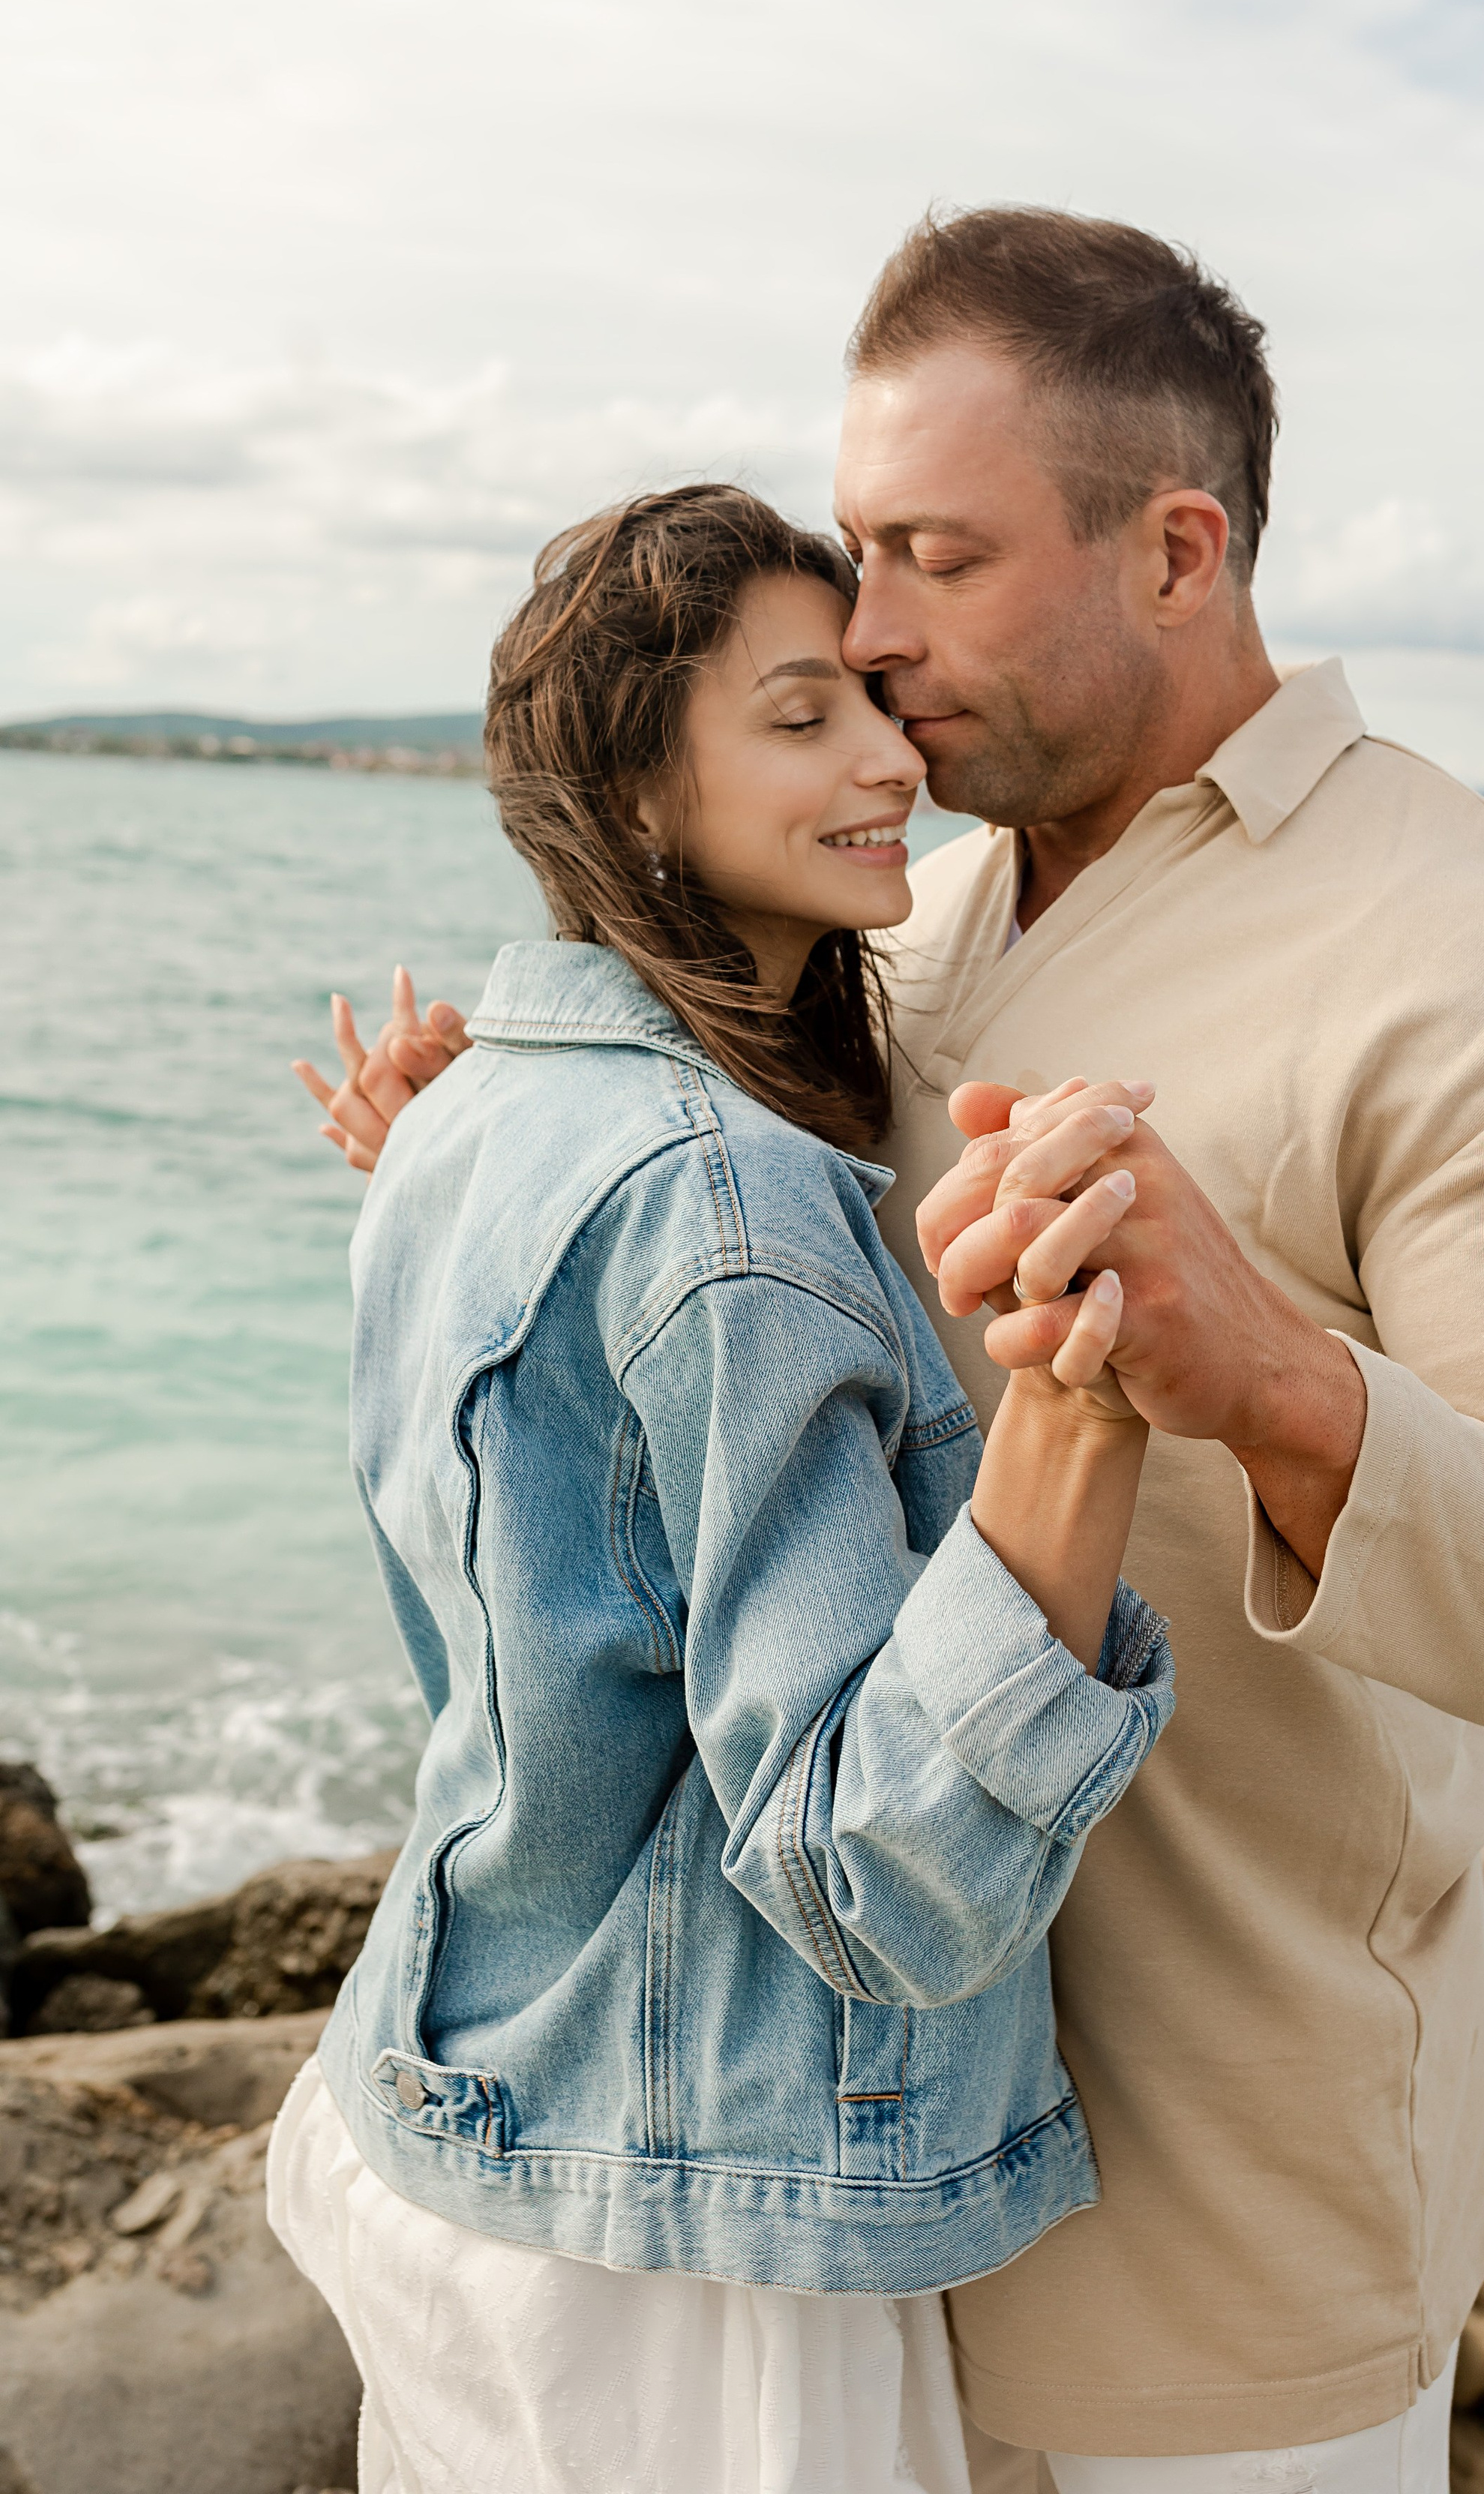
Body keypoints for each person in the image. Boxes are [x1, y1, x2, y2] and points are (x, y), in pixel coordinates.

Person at [325, 209, 1484, 2492]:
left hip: (1213, 2277)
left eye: (933, 558)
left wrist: (1276, 1381)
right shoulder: (926, 900)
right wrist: (527, 1186)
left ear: (1177, 549)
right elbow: (760, 1346)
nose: (871, 637)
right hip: (811, 2223)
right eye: (858, 562)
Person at [274, 482, 1183, 2494]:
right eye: (801, 720)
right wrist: (1084, 1410)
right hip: (675, 2264)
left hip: (453, 2099)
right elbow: (867, 1873)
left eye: (874, 699)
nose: (892, 761)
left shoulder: (480, 1120)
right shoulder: (725, 1196)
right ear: (642, 794)